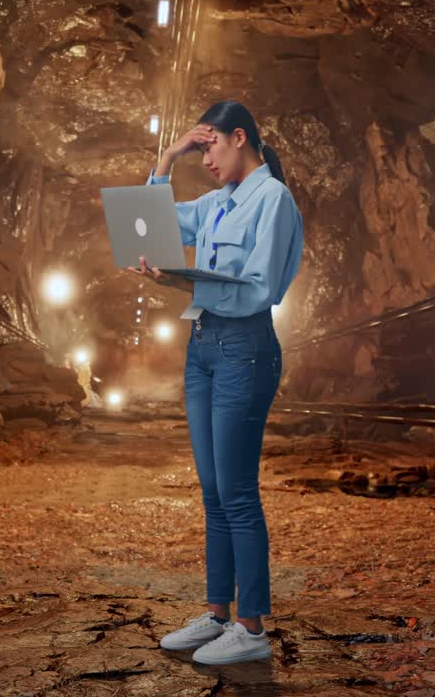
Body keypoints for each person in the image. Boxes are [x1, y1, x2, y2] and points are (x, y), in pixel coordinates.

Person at [127, 100, 303, 665]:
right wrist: (169, 156)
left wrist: (182, 285)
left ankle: (251, 629)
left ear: (241, 137)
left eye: (210, 147)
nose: (206, 159)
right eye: (199, 150)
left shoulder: (271, 200)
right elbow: (154, 226)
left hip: (243, 350)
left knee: (238, 492)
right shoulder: (218, 202)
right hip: (203, 347)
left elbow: (258, 289)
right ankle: (217, 614)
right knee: (212, 491)